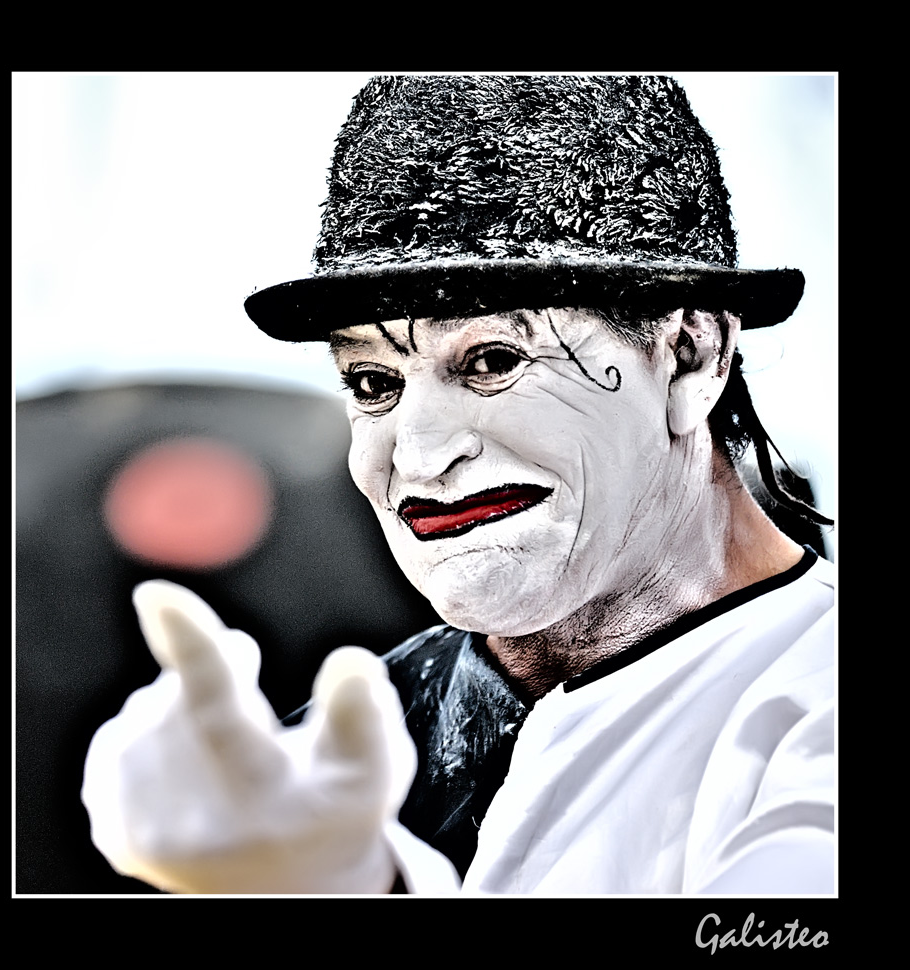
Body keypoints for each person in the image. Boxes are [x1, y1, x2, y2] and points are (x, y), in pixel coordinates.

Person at [82, 75, 835, 895]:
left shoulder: (815, 703)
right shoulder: (342, 752)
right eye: (372, 383)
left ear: (689, 356)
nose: (417, 456)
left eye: (491, 362)